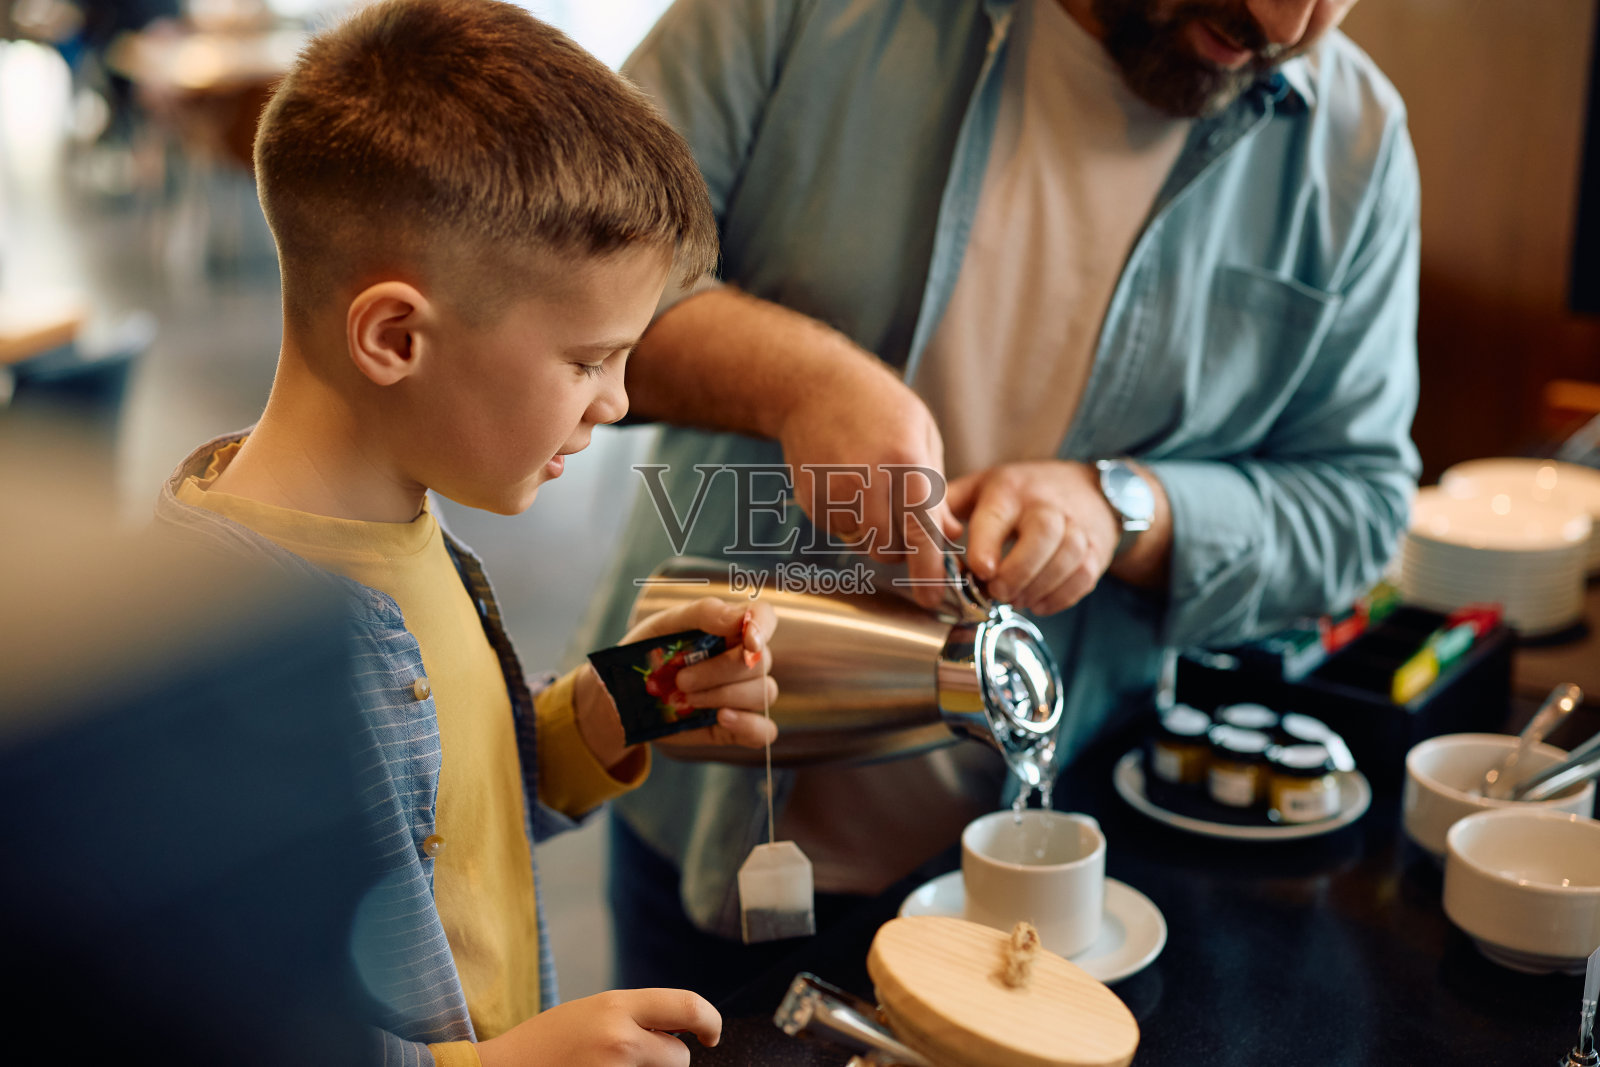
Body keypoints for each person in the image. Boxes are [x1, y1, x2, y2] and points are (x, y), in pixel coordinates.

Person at [587, 0, 1420, 999]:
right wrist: (798, 383)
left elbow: (1359, 502)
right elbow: (550, 276)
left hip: (1071, 871)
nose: (1287, 22)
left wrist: (1127, 509)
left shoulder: (1354, 143)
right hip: (700, 811)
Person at [152, 2, 783, 1063]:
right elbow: (225, 1017)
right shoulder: (216, 664)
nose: (618, 401)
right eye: (587, 360)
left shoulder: (404, 519)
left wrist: (611, 709)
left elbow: (454, 813)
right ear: (395, 336)